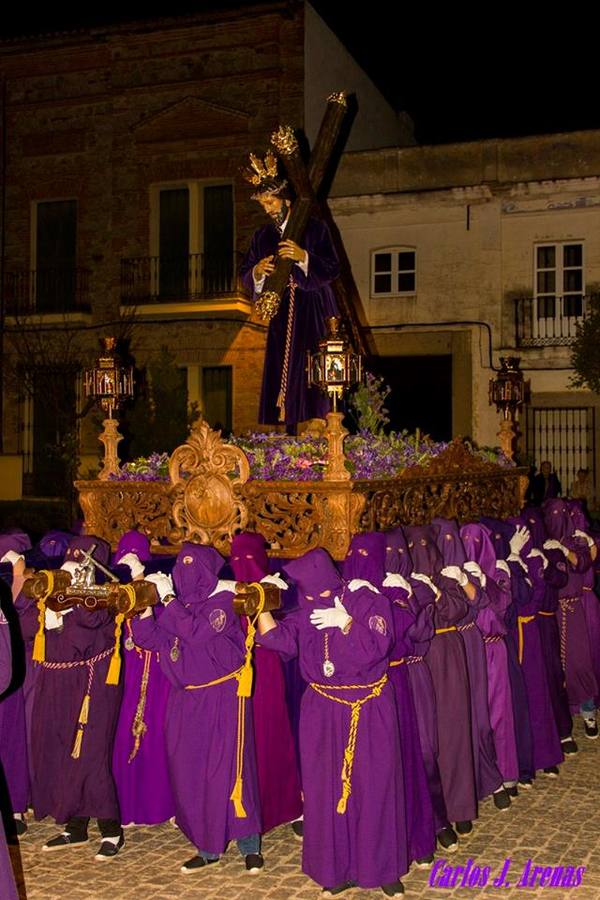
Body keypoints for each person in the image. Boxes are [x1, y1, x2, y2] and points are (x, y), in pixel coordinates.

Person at [257, 547, 407, 897]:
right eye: (309, 595)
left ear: (332, 583)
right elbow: (276, 639)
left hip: (368, 708)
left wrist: (347, 623)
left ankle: (382, 868)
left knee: (374, 787)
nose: (315, 601)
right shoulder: (307, 610)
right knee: (326, 790)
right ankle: (335, 869)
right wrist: (261, 603)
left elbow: (378, 646)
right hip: (322, 710)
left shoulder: (367, 600)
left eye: (321, 592)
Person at [132, 543, 263, 875]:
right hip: (185, 700)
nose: (186, 574)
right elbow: (151, 639)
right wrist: (144, 604)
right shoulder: (179, 605)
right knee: (190, 771)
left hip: (222, 697)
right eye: (181, 566)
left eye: (194, 567)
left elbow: (197, 632)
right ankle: (207, 845)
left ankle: (249, 843)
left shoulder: (224, 602)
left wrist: (167, 599)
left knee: (230, 769)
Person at [17, 535, 125, 859]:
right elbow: (24, 628)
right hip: (57, 684)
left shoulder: (105, 597)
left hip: (92, 686)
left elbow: (91, 625)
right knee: (64, 751)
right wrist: (48, 611)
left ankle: (111, 828)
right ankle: (76, 826)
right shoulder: (52, 593)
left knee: (90, 755)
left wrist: (74, 601)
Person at [240, 167, 340, 429]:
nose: (268, 210)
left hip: (312, 306)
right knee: (283, 364)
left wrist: (303, 257)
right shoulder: (262, 236)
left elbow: (332, 267)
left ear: (286, 200)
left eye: (271, 202)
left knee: (312, 362)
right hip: (282, 312)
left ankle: (318, 419)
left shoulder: (315, 229)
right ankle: (287, 423)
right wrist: (258, 271)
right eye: (263, 205)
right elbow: (246, 274)